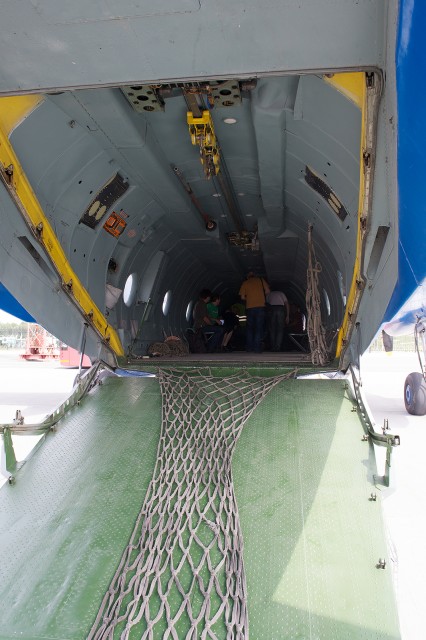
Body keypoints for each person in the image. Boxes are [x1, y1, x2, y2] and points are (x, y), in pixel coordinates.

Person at [239, 272, 270, 353]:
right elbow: (267, 291)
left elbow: (242, 297)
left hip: (249, 308)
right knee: (258, 328)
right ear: (254, 276)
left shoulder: (245, 283)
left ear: (247, 277)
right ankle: (256, 348)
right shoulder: (261, 280)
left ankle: (249, 348)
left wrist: (249, 299)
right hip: (260, 307)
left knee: (250, 328)